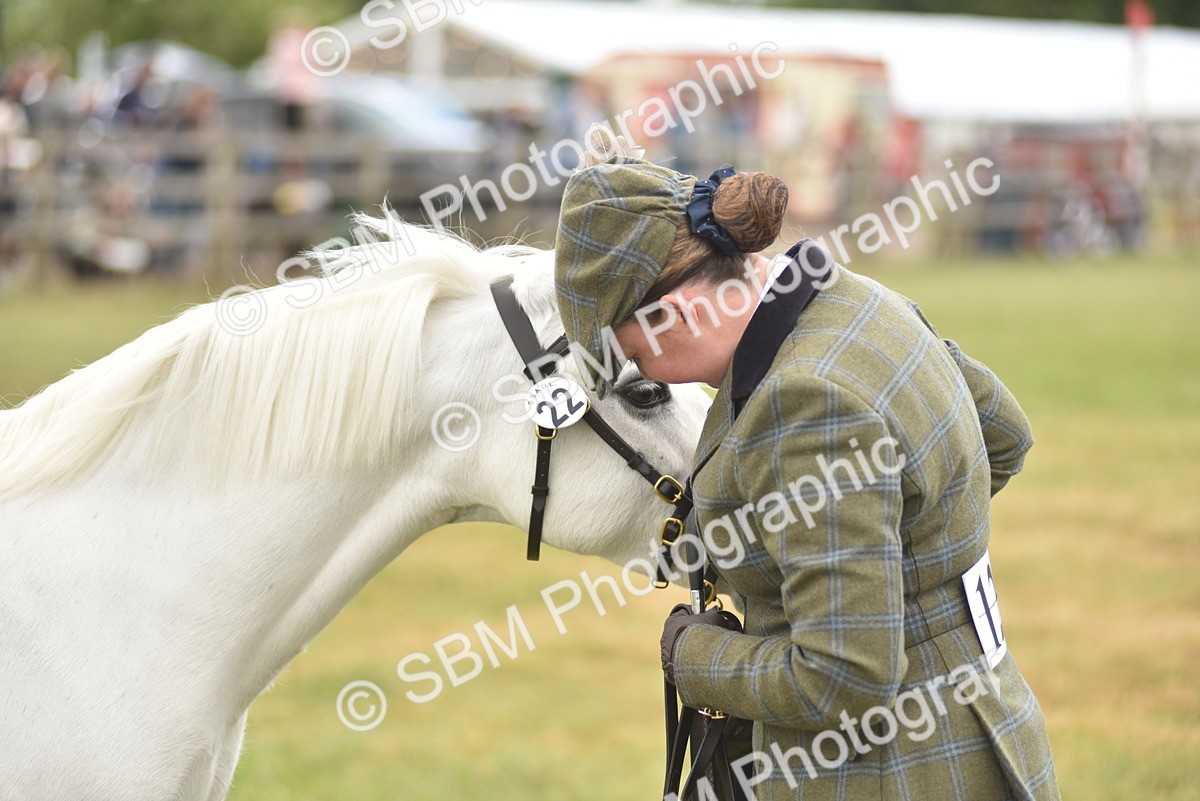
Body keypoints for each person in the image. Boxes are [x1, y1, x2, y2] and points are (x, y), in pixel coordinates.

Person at [552, 130, 1061, 800]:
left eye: (630, 356)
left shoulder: (802, 403)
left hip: (896, 772)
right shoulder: (857, 300)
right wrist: (909, 567)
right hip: (982, 729)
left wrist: (690, 655)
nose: (640, 373)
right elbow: (1001, 435)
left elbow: (842, 676)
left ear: (672, 312)